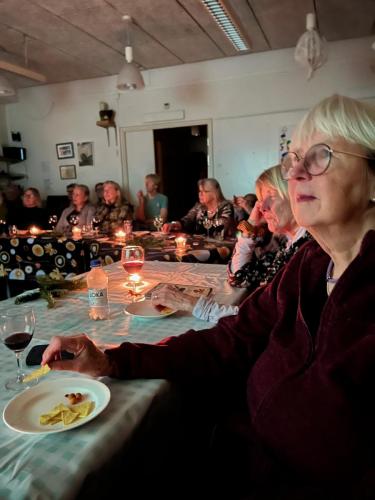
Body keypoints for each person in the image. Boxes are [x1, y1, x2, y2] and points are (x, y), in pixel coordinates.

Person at [42, 95, 375, 499]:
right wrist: (112, 358)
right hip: (237, 454)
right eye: (293, 159)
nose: (298, 172)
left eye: (321, 156)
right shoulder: (307, 263)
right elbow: (230, 339)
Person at [152, 165, 310, 323]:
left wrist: (193, 304)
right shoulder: (289, 245)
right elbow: (238, 277)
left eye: (272, 196)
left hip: (222, 250)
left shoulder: (227, 208)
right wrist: (250, 224)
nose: (261, 206)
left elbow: (262, 319)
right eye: (260, 200)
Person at [163, 178, 235, 238]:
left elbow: (220, 228)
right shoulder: (199, 206)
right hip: (202, 245)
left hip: (222, 246)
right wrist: (173, 224)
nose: (200, 194)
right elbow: (187, 220)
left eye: (205, 191)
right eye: (200, 191)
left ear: (214, 193)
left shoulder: (226, 206)